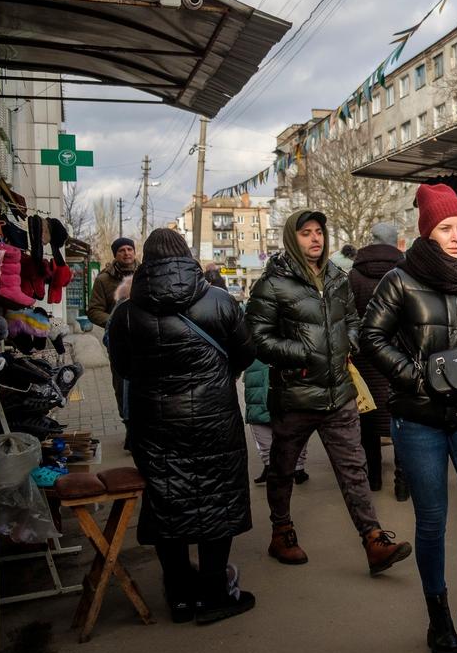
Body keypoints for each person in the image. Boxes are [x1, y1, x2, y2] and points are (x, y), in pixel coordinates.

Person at [362, 184, 457, 653]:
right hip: (419, 419)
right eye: (445, 228)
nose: (455, 236)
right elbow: (370, 335)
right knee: (432, 522)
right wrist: (414, 377)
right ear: (427, 231)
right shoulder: (400, 280)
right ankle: (439, 618)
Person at [245, 209, 411, 574]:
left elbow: (354, 320)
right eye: (306, 233)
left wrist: (347, 343)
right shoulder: (273, 284)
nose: (315, 239)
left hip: (339, 393)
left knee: (354, 468)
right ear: (293, 238)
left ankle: (373, 540)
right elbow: (256, 337)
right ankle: (281, 531)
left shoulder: (338, 278)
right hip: (295, 394)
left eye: (319, 232)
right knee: (283, 468)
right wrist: (302, 354)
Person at [107, 228, 257, 625]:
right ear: (187, 256)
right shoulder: (220, 300)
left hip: (153, 426)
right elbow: (246, 351)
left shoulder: (124, 312)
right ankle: (213, 594)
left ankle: (179, 595)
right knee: (216, 499)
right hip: (214, 421)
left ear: (146, 261)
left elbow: (123, 369)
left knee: (166, 503)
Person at [347, 222, 409, 499]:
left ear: (371, 240)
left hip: (366, 357)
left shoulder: (354, 275)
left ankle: (373, 479)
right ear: (395, 242)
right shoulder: (406, 271)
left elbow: (347, 316)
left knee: (369, 421)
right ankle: (402, 483)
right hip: (399, 355)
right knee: (402, 417)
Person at [89, 237, 136, 444]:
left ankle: (142, 429)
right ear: (115, 255)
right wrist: (115, 322)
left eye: (129, 249)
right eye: (122, 251)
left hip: (145, 340)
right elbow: (93, 310)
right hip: (119, 343)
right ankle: (129, 428)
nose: (127, 253)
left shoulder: (146, 274)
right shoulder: (104, 280)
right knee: (122, 386)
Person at [242, 355, 309, 486]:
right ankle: (297, 468)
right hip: (284, 372)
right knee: (296, 426)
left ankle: (272, 466)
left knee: (260, 418)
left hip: (258, 370)